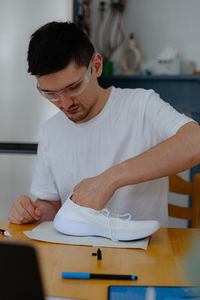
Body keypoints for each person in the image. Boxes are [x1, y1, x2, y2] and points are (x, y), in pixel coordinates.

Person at [8, 21, 200, 227]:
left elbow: (195, 141)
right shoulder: (50, 130)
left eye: (73, 87)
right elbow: (51, 204)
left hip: (144, 255)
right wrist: (34, 212)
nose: (64, 103)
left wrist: (111, 179)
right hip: (74, 254)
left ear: (96, 66)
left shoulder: (141, 105)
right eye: (50, 94)